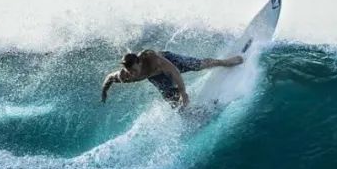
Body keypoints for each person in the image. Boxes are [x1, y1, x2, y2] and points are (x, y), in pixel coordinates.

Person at [100, 49, 243, 108]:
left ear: (139, 62)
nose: (133, 74)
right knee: (174, 103)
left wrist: (183, 92)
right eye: (129, 72)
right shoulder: (125, 76)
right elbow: (109, 78)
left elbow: (175, 72)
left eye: (134, 70)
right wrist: (104, 92)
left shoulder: (154, 60)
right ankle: (192, 114)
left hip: (169, 61)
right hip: (156, 77)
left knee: (197, 65)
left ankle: (225, 62)